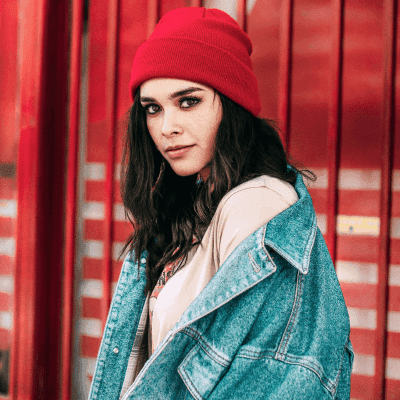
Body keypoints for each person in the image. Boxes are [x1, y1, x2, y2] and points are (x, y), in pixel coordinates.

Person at [88, 7, 353, 400]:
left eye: (188, 101)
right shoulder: (195, 206)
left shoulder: (254, 205)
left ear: (230, 103)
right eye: (153, 108)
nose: (167, 127)